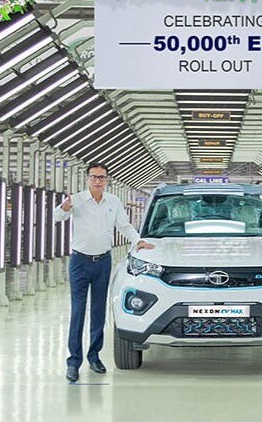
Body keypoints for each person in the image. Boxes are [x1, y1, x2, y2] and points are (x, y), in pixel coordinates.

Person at [54, 162, 154, 382]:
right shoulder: (77, 200)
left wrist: (138, 241)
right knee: (78, 311)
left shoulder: (113, 202)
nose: (97, 181)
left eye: (101, 177)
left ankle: (94, 357)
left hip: (102, 262)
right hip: (80, 262)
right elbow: (56, 217)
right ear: (87, 178)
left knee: (99, 311)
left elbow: (124, 225)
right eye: (94, 177)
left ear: (106, 180)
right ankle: (73, 362)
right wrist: (65, 208)